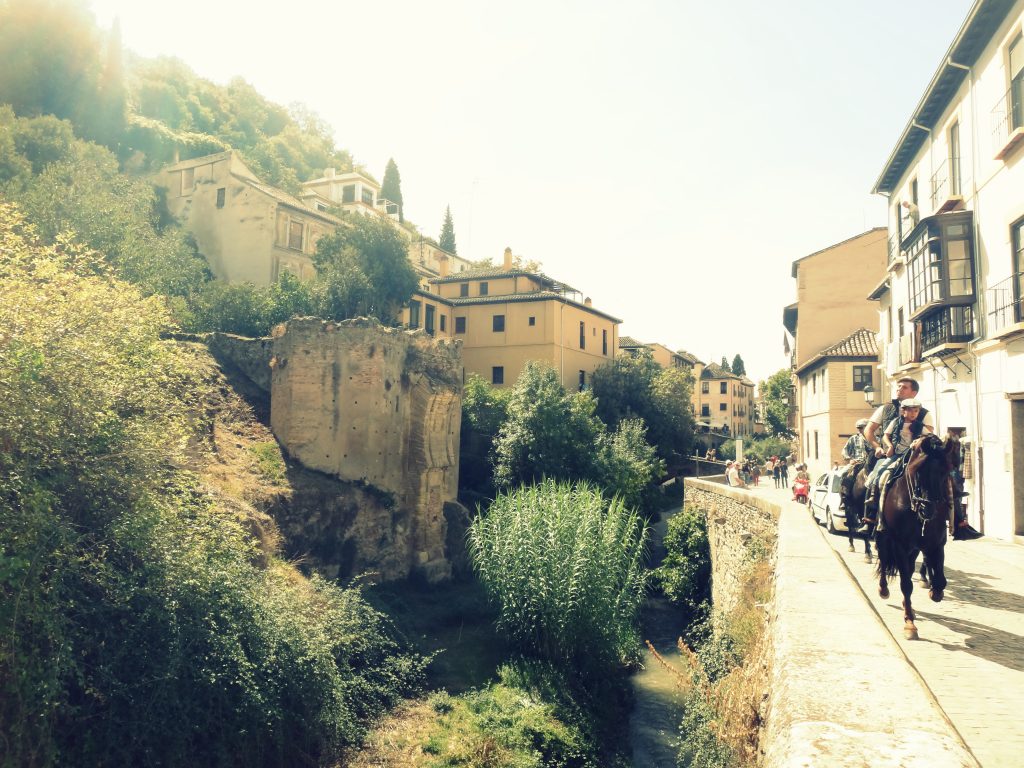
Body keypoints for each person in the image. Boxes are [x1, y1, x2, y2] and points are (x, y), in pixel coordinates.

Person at [857, 398, 934, 533]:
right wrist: (889, 445)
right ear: (903, 411)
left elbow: (930, 436)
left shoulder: (919, 426)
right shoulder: (895, 422)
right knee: (880, 471)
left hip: (912, 456)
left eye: (916, 411)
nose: (913, 414)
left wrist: (919, 441)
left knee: (936, 474)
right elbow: (885, 436)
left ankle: (955, 519)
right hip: (896, 455)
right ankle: (873, 499)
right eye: (910, 411)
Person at [838, 418, 870, 512]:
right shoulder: (854, 438)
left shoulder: (875, 438)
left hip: (871, 462)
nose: (859, 430)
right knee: (844, 474)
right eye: (858, 428)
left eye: (861, 427)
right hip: (857, 462)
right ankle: (844, 498)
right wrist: (850, 459)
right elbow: (845, 451)